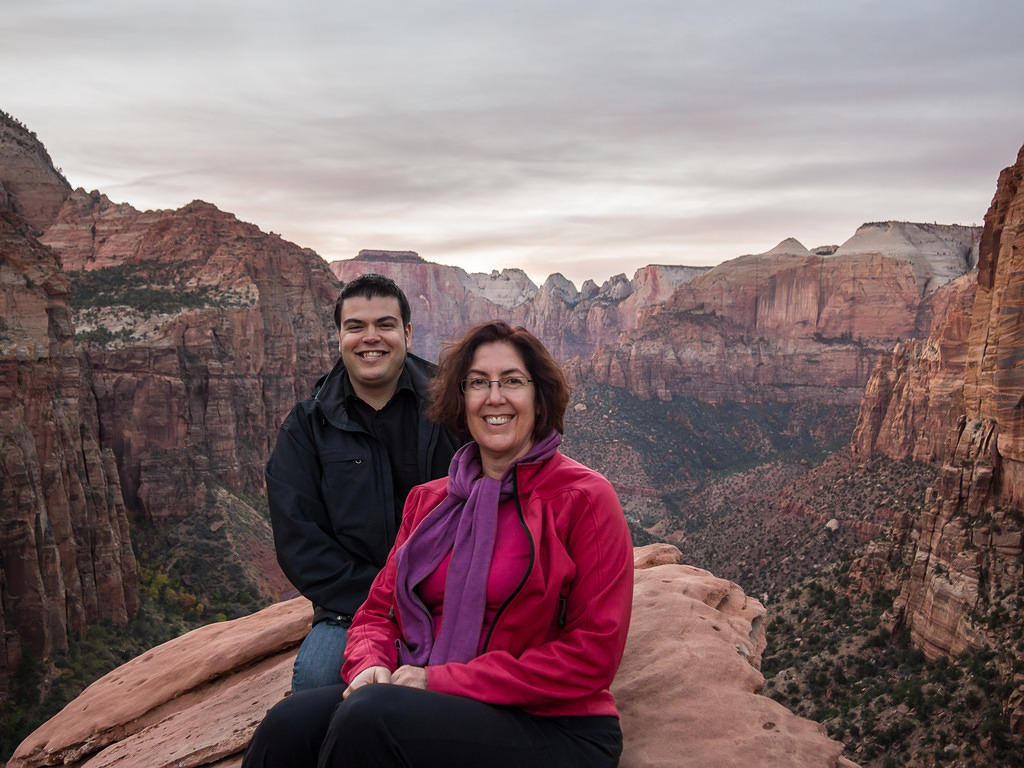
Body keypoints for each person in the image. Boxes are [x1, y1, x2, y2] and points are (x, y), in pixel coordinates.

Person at [244, 321, 634, 768]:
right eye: (478, 383)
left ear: (540, 397)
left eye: (512, 381)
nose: (495, 397)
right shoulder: (429, 501)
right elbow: (377, 612)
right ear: (460, 399)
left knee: (369, 719)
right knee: (289, 723)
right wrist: (369, 662)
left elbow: (592, 655)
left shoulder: (582, 498)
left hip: (551, 722)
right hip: (429, 693)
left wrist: (443, 681)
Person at [267, 273, 461, 692]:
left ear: (407, 332)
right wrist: (384, 602)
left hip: (450, 599)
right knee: (319, 683)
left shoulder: (453, 407)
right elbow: (299, 542)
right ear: (339, 335)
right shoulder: (307, 426)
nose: (370, 338)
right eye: (356, 326)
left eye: (385, 325)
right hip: (350, 609)